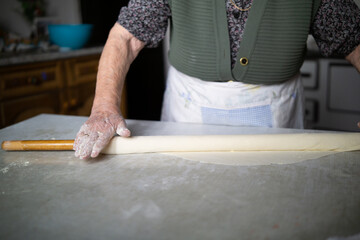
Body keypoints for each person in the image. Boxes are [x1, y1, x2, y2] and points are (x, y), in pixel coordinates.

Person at [74, 0, 360, 159]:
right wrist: (103, 109)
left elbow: (356, 39)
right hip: (188, 109)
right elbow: (124, 37)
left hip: (278, 114)